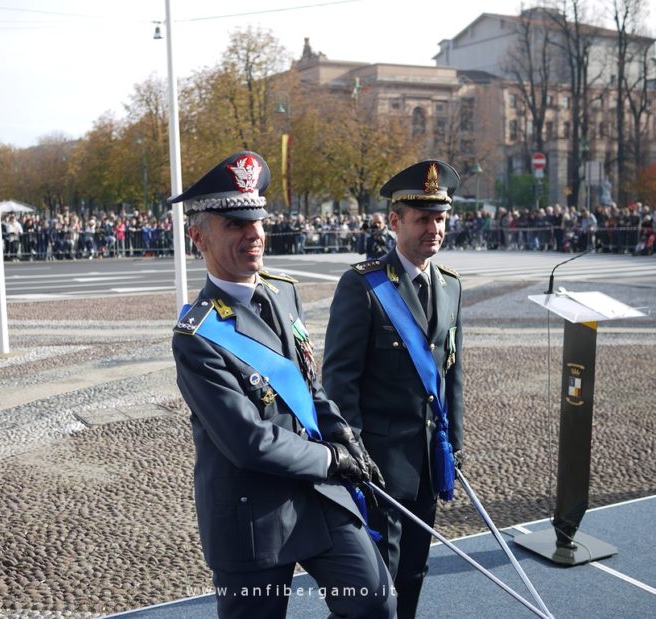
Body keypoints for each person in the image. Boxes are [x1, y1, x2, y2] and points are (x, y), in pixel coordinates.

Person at [170, 151, 395, 619]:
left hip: (317, 492)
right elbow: (248, 441)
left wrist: (344, 435)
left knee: (374, 602)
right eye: (235, 224)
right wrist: (332, 459)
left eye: (258, 221)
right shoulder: (196, 337)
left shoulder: (283, 292)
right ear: (198, 237)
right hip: (253, 513)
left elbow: (308, 385)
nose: (254, 234)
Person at [322, 159, 465, 619]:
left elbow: (451, 373)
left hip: (428, 461)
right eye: (422, 219)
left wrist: (454, 445)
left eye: (439, 218)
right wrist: (355, 456)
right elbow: (340, 380)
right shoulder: (363, 285)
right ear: (395, 222)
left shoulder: (450, 286)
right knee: (377, 582)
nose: (433, 229)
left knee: (415, 571)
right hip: (380, 465)